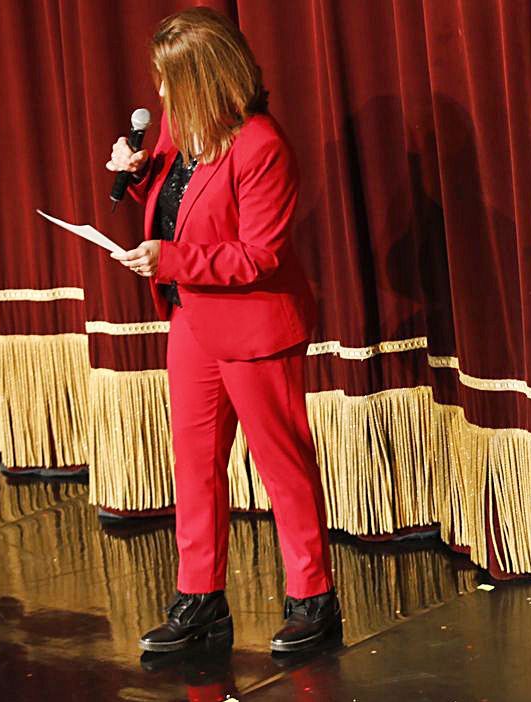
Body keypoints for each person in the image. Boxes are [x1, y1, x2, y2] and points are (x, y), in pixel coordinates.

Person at [105, 7, 338, 654]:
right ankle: (199, 597)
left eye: (168, 80)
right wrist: (139, 174)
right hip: (192, 320)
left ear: (204, 79)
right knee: (196, 464)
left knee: (280, 464)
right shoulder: (186, 128)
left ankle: (312, 599)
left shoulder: (262, 145)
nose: (159, 95)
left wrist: (168, 258)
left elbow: (259, 255)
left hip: (254, 326)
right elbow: (182, 199)